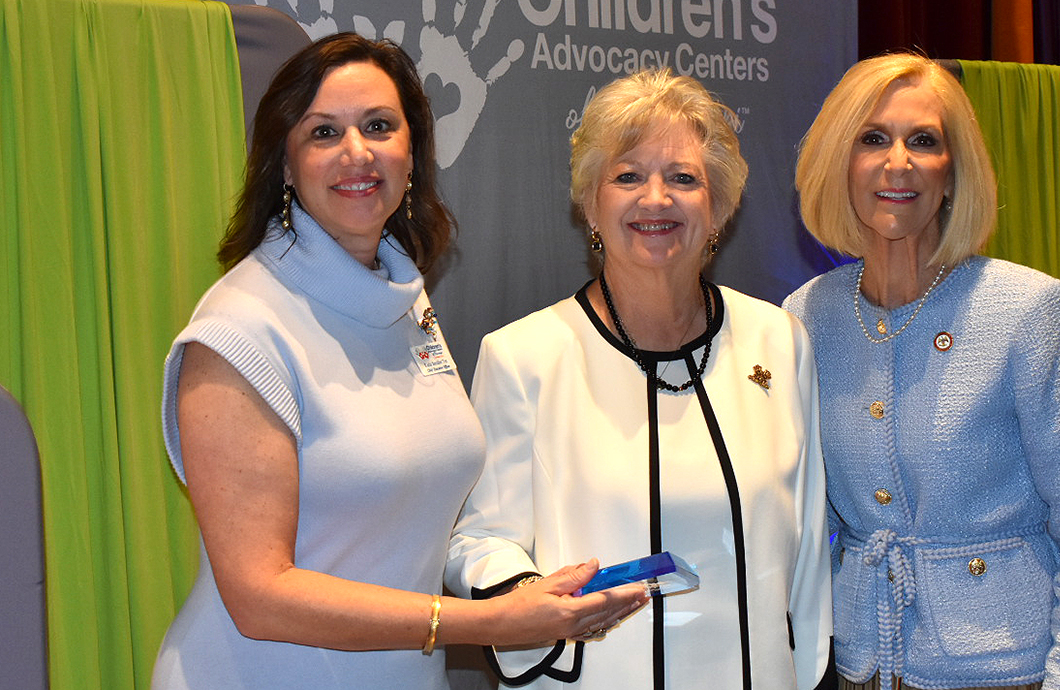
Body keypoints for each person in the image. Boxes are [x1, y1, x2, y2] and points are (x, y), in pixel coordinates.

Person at [150, 33, 645, 690]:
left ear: (411, 152)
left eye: (379, 126)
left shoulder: (403, 297)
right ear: (286, 165)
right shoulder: (238, 332)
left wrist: (524, 587)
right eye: (323, 132)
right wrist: (491, 622)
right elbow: (260, 597)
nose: (357, 152)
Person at [445, 68, 831, 690]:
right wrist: (530, 597)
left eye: (684, 178)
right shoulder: (524, 357)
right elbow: (480, 537)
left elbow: (809, 541)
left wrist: (811, 671)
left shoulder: (779, 341)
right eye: (627, 176)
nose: (657, 198)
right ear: (591, 205)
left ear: (719, 208)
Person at [782, 53, 1060, 690]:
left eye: (924, 141)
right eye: (873, 138)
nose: (897, 162)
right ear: (840, 162)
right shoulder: (807, 315)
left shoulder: (1032, 310)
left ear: (953, 171)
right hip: (861, 665)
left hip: (1010, 670)